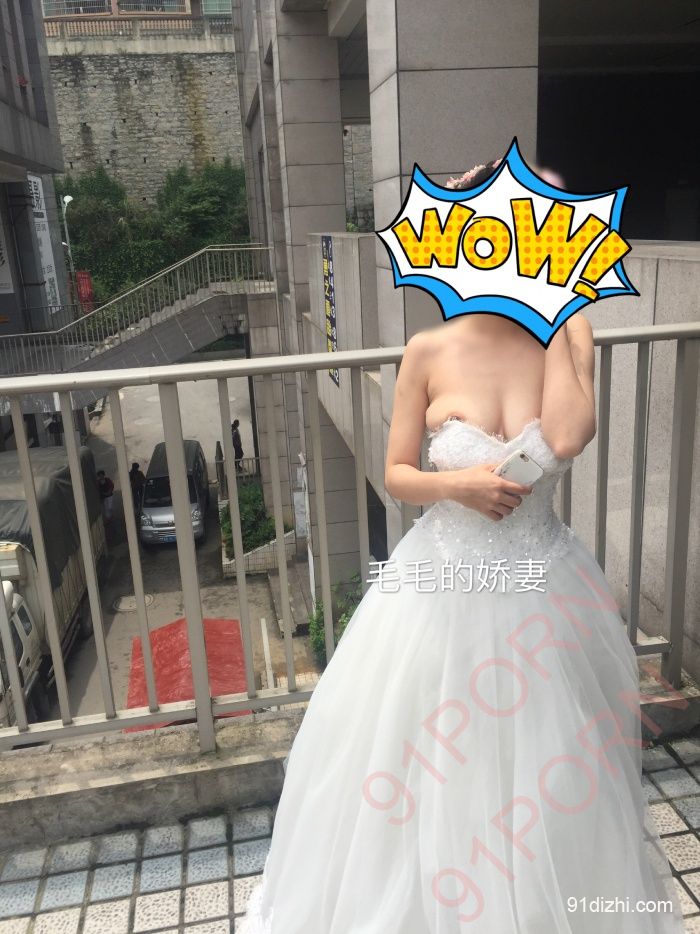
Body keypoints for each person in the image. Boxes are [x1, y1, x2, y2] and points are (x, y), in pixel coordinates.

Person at [238, 162, 685, 933]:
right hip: (439, 588)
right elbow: (397, 473)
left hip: (545, 592)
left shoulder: (568, 331)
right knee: (418, 773)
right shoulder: (427, 349)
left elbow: (568, 435)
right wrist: (459, 486)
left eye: (546, 227)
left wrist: (562, 309)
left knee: (549, 783)